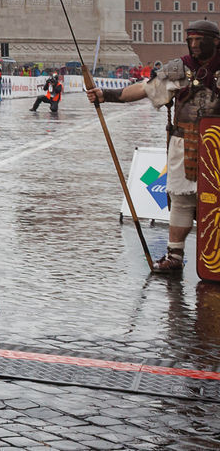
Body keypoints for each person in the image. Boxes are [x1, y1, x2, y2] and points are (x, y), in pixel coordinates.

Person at [88, 19, 220, 272]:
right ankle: (175, 256)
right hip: (186, 144)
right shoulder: (181, 68)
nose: (193, 45)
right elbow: (146, 89)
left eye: (198, 40)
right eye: (189, 40)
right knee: (181, 200)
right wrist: (107, 95)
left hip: (218, 146)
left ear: (214, 41)